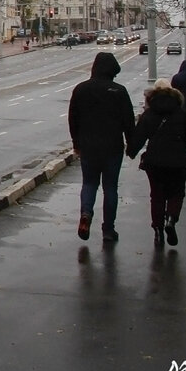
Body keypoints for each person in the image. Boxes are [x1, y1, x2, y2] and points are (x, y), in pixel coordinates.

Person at [67, 52, 135, 242]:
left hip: (88, 147)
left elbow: (73, 119)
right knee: (110, 188)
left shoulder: (80, 89)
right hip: (112, 147)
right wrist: (132, 145)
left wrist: (76, 143)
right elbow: (128, 121)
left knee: (89, 183)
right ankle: (108, 230)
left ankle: (86, 213)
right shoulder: (119, 91)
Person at [128, 79, 186, 247]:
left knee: (157, 196)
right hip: (178, 160)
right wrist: (182, 142)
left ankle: (158, 231)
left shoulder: (150, 113)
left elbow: (139, 136)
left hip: (154, 161)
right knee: (177, 192)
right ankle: (171, 219)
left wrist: (131, 151)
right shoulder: (181, 113)